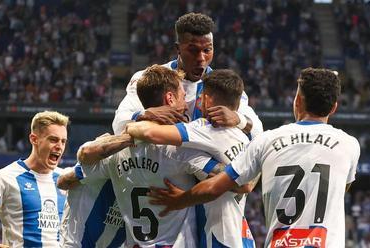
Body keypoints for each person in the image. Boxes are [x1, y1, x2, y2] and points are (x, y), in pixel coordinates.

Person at [148, 68, 361, 248]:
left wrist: (180, 200)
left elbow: (214, 188)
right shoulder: (349, 145)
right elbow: (342, 188)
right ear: (334, 107)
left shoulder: (266, 141)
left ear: (297, 101)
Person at [58, 65, 231, 247]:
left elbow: (66, 179)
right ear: (170, 99)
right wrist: (186, 197)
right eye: (182, 97)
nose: (186, 104)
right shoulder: (180, 150)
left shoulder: (116, 152)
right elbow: (229, 179)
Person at [126, 69, 258, 247]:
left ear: (206, 99)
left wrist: (136, 118)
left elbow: (148, 132)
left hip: (219, 237)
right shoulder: (246, 138)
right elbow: (247, 183)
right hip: (242, 236)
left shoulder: (204, 129)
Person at [112, 12, 263, 139]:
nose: (201, 58)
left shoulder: (223, 86)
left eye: (207, 50)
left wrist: (238, 119)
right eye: (193, 50)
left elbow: (258, 131)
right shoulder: (149, 78)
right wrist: (145, 114)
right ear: (178, 49)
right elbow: (119, 124)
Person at [0, 111, 69, 248]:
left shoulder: (66, 179)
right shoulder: (4, 178)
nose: (60, 146)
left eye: (63, 141)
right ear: (34, 139)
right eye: (53, 140)